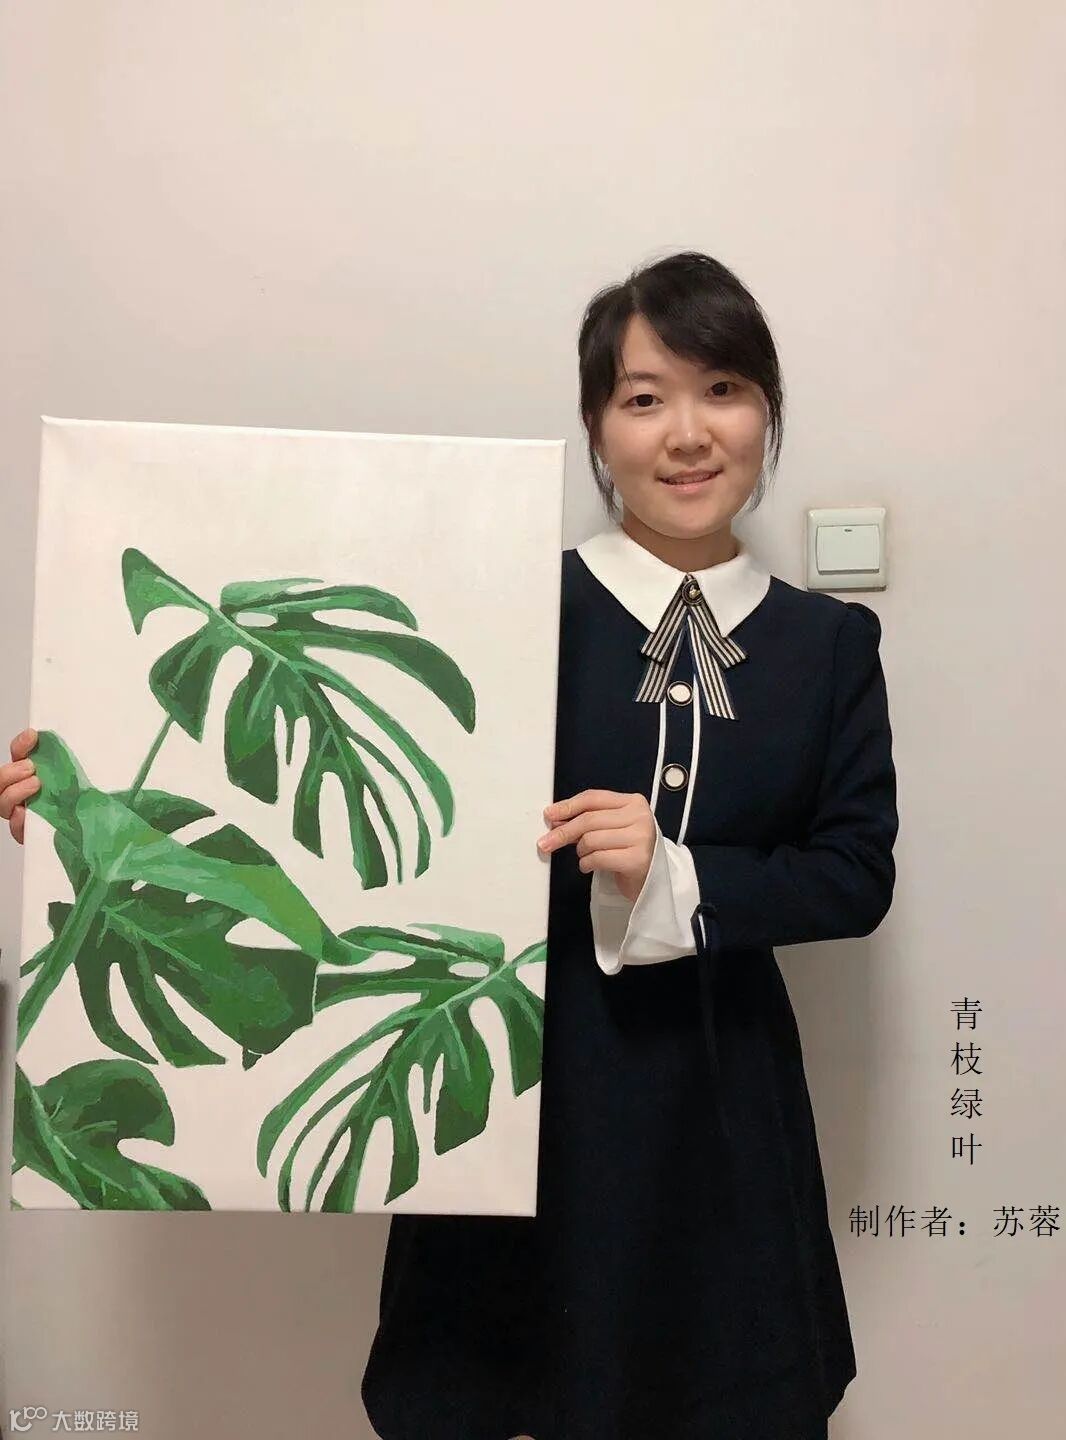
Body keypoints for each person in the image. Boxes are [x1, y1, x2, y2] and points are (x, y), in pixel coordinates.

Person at [1, 250, 898, 1440]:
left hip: (721, 1106)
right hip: (518, 1092)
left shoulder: (827, 646)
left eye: (722, 390)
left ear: (766, 410)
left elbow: (853, 874)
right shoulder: (500, 601)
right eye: (643, 399)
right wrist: (84, 805)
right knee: (494, 1389)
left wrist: (674, 873)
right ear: (597, 427)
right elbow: (344, 811)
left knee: (719, 1396)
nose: (687, 434)